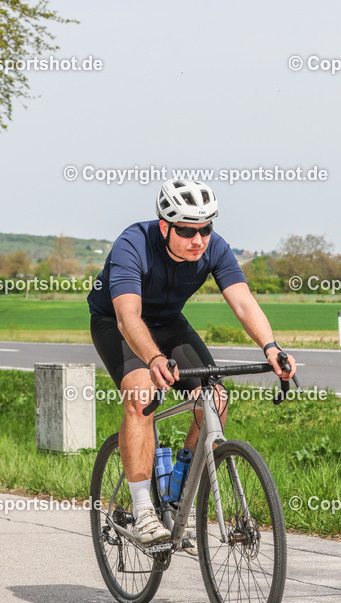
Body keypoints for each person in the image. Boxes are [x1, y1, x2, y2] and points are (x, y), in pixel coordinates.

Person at [87, 179, 297, 546]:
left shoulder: (215, 249)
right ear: (166, 227)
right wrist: (152, 358)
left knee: (214, 399)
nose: (198, 240)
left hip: (169, 323)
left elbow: (244, 303)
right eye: (187, 231)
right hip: (119, 323)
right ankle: (144, 513)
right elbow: (128, 318)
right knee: (141, 396)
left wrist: (271, 347)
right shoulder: (132, 245)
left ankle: (179, 491)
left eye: (205, 228)